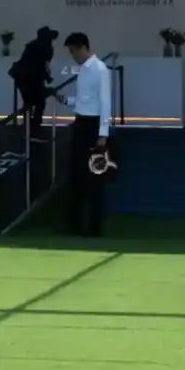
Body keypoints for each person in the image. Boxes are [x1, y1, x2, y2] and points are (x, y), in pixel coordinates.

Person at [62, 31, 116, 236]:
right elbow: (85, 99)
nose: (73, 55)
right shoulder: (83, 70)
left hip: (93, 127)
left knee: (95, 176)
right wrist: (67, 101)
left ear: (83, 47)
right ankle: (73, 224)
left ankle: (94, 227)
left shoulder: (100, 69)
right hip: (81, 123)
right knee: (75, 173)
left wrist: (103, 134)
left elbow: (104, 102)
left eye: (73, 51)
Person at [7, 26, 57, 137]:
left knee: (28, 103)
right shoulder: (46, 47)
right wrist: (48, 78)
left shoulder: (32, 45)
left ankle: (28, 128)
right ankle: (34, 128)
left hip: (21, 77)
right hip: (31, 78)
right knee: (39, 102)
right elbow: (44, 65)